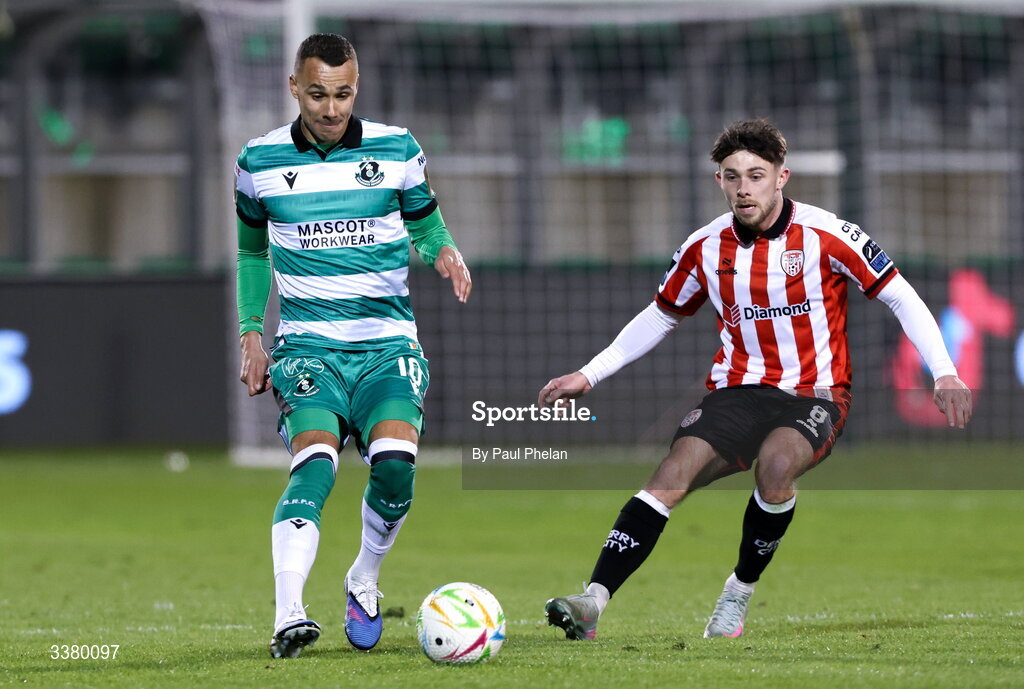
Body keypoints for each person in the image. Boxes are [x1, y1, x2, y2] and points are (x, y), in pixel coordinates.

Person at [538, 118, 972, 641]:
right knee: (671, 474)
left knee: (777, 464)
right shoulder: (703, 246)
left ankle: (738, 591)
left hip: (816, 392)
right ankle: (593, 601)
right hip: (737, 390)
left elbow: (899, 294)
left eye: (756, 175)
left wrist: (944, 371)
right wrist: (591, 372)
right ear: (718, 181)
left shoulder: (828, 235)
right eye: (731, 176)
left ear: (781, 177)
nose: (743, 187)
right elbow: (661, 314)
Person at [235, 33, 472, 658]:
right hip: (309, 347)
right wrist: (251, 334)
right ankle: (289, 612)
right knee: (316, 462)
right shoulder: (257, 161)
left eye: (342, 94)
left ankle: (364, 576)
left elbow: (425, 223)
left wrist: (442, 250)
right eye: (317, 94)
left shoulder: (397, 148)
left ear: (356, 89)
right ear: (294, 88)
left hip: (386, 344)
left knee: (394, 467)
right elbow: (252, 252)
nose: (331, 109)